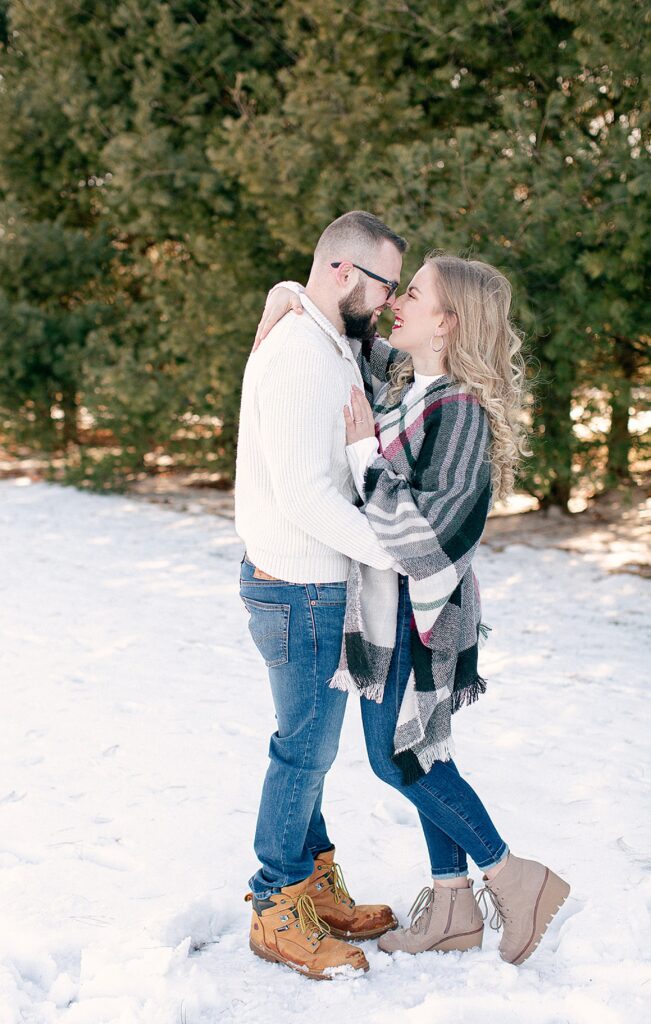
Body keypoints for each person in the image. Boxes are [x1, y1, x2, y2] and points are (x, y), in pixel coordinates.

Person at [257, 253, 570, 966]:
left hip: (420, 612)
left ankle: (511, 876)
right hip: (391, 608)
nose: (396, 300)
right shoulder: (411, 388)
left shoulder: (456, 408)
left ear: (447, 322)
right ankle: (452, 905)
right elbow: (341, 328)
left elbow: (425, 539)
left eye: (415, 293)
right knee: (420, 750)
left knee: (399, 758)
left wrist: (365, 455)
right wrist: (287, 293)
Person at [235, 211, 410, 981]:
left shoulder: (323, 334)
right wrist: (397, 552)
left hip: (311, 586)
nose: (388, 302)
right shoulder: (303, 354)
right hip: (301, 587)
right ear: (343, 273)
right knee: (301, 752)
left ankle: (313, 886)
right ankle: (276, 906)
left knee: (309, 749)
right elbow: (305, 496)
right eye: (383, 284)